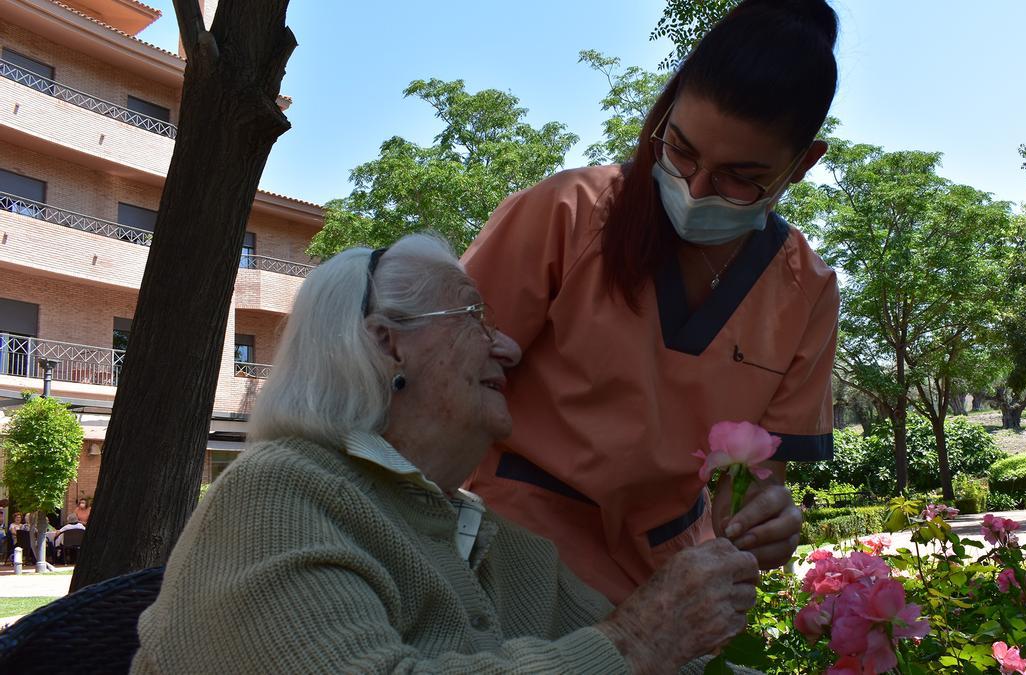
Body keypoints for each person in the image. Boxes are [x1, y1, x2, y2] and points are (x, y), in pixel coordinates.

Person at [133, 235, 759, 674]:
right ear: (386, 344)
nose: (509, 348)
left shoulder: (490, 536)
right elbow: (637, 642)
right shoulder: (278, 493)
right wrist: (637, 642)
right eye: (475, 318)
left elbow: (674, 656)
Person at [462, 0, 840, 602]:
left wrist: (766, 515)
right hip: (511, 555)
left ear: (802, 164)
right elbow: (437, 381)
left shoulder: (806, 291)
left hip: (665, 583)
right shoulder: (569, 214)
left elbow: (757, 475)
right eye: (681, 151)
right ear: (665, 116)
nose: (694, 190)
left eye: (740, 177)